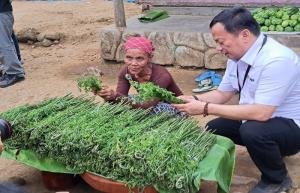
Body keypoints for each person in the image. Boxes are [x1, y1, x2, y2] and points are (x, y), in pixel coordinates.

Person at [173, 7, 300, 193]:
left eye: (221, 42)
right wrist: (192, 99)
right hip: (261, 120)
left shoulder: (277, 60)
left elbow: (262, 113)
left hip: (292, 129)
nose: (218, 48)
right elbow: (222, 94)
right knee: (215, 127)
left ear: (245, 35)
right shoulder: (236, 58)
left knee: (253, 130)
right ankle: (268, 153)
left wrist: (205, 108)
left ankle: (277, 179)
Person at [96, 36, 183, 115]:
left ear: (149, 58)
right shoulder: (126, 72)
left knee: (156, 109)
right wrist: (108, 96)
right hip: (148, 103)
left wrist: (115, 96)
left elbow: (148, 106)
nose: (133, 63)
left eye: (140, 58)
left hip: (176, 107)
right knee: (123, 100)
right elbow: (121, 97)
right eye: (129, 58)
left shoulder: (161, 75)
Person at [0, 0, 25, 88]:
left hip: (2, 12)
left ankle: (15, 73)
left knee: (3, 44)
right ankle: (12, 67)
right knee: (6, 41)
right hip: (3, 11)